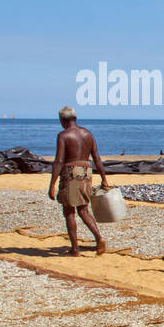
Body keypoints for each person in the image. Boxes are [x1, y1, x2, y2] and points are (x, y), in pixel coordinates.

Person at [47, 106, 109, 256]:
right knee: (83, 209)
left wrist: (52, 184)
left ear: (62, 120)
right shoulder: (88, 134)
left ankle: (75, 249)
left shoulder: (63, 135)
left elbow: (59, 161)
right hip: (86, 172)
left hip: (71, 174)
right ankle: (98, 237)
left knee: (69, 212)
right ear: (75, 118)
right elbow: (97, 159)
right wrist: (104, 179)